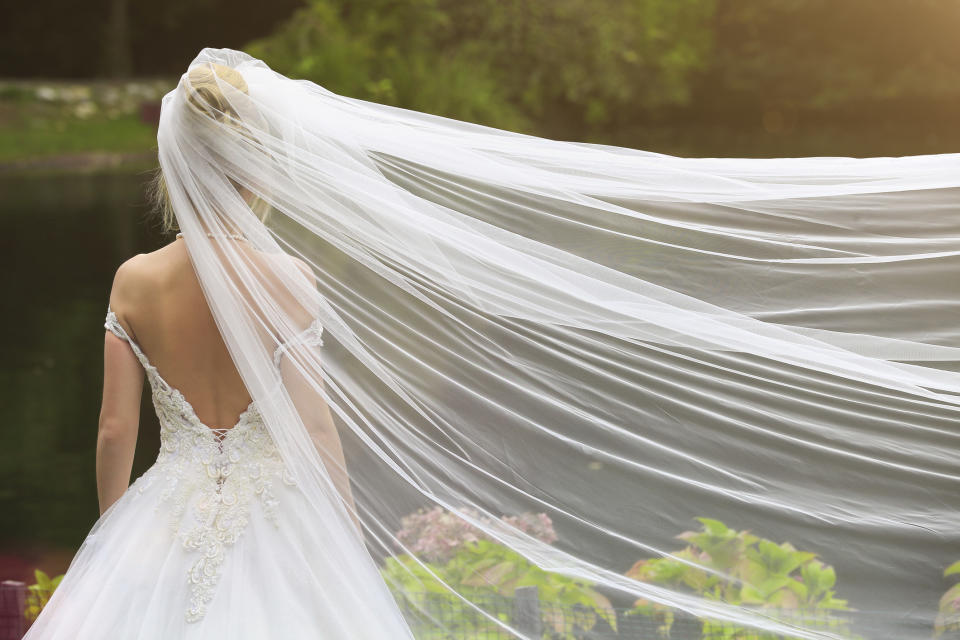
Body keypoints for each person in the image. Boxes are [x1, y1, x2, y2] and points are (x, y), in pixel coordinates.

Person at [23, 48, 960, 639]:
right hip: (278, 511)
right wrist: (343, 537)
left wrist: (115, 534)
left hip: (169, 505)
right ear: (257, 165)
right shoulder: (289, 281)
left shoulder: (132, 282)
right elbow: (314, 428)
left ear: (180, 165)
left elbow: (115, 429)